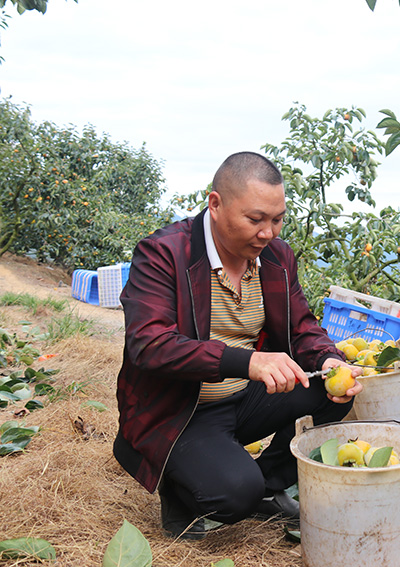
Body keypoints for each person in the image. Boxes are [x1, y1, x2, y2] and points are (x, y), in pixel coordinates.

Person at [113, 151, 362, 540]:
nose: (269, 232)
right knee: (232, 494)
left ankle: (266, 484)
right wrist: (247, 362)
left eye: (278, 219)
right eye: (255, 219)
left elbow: (301, 326)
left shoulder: (276, 258)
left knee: (333, 393)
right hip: (180, 409)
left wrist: (328, 358)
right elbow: (150, 344)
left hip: (243, 399)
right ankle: (185, 485)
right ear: (215, 204)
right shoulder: (164, 254)